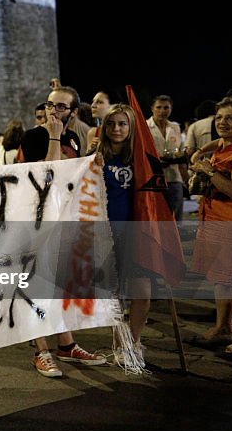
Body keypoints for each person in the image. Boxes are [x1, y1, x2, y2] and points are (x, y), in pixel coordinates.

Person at [18, 85, 107, 376]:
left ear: (72, 111)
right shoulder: (34, 136)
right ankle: (40, 350)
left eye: (60, 106)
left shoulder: (73, 137)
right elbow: (48, 174)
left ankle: (66, 344)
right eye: (49, 105)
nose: (52, 111)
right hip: (37, 219)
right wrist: (54, 136)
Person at [92, 104, 158, 367]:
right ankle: (120, 343)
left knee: (142, 290)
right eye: (111, 124)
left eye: (122, 124)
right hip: (108, 232)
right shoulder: (95, 157)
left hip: (139, 232)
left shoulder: (141, 157)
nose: (116, 129)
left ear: (131, 127)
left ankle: (135, 339)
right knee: (115, 295)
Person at [188, 96, 232, 355]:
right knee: (220, 276)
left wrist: (208, 170)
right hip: (215, 218)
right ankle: (223, 328)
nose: (222, 123)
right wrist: (200, 151)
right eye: (219, 118)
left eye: (231, 118)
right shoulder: (225, 144)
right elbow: (218, 140)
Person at [147, 94, 185, 220]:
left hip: (174, 176)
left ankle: (175, 239)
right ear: (152, 108)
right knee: (156, 215)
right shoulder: (145, 127)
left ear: (171, 109)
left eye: (166, 107)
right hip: (153, 177)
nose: (162, 111)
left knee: (175, 214)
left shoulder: (175, 126)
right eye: (159, 107)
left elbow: (181, 150)